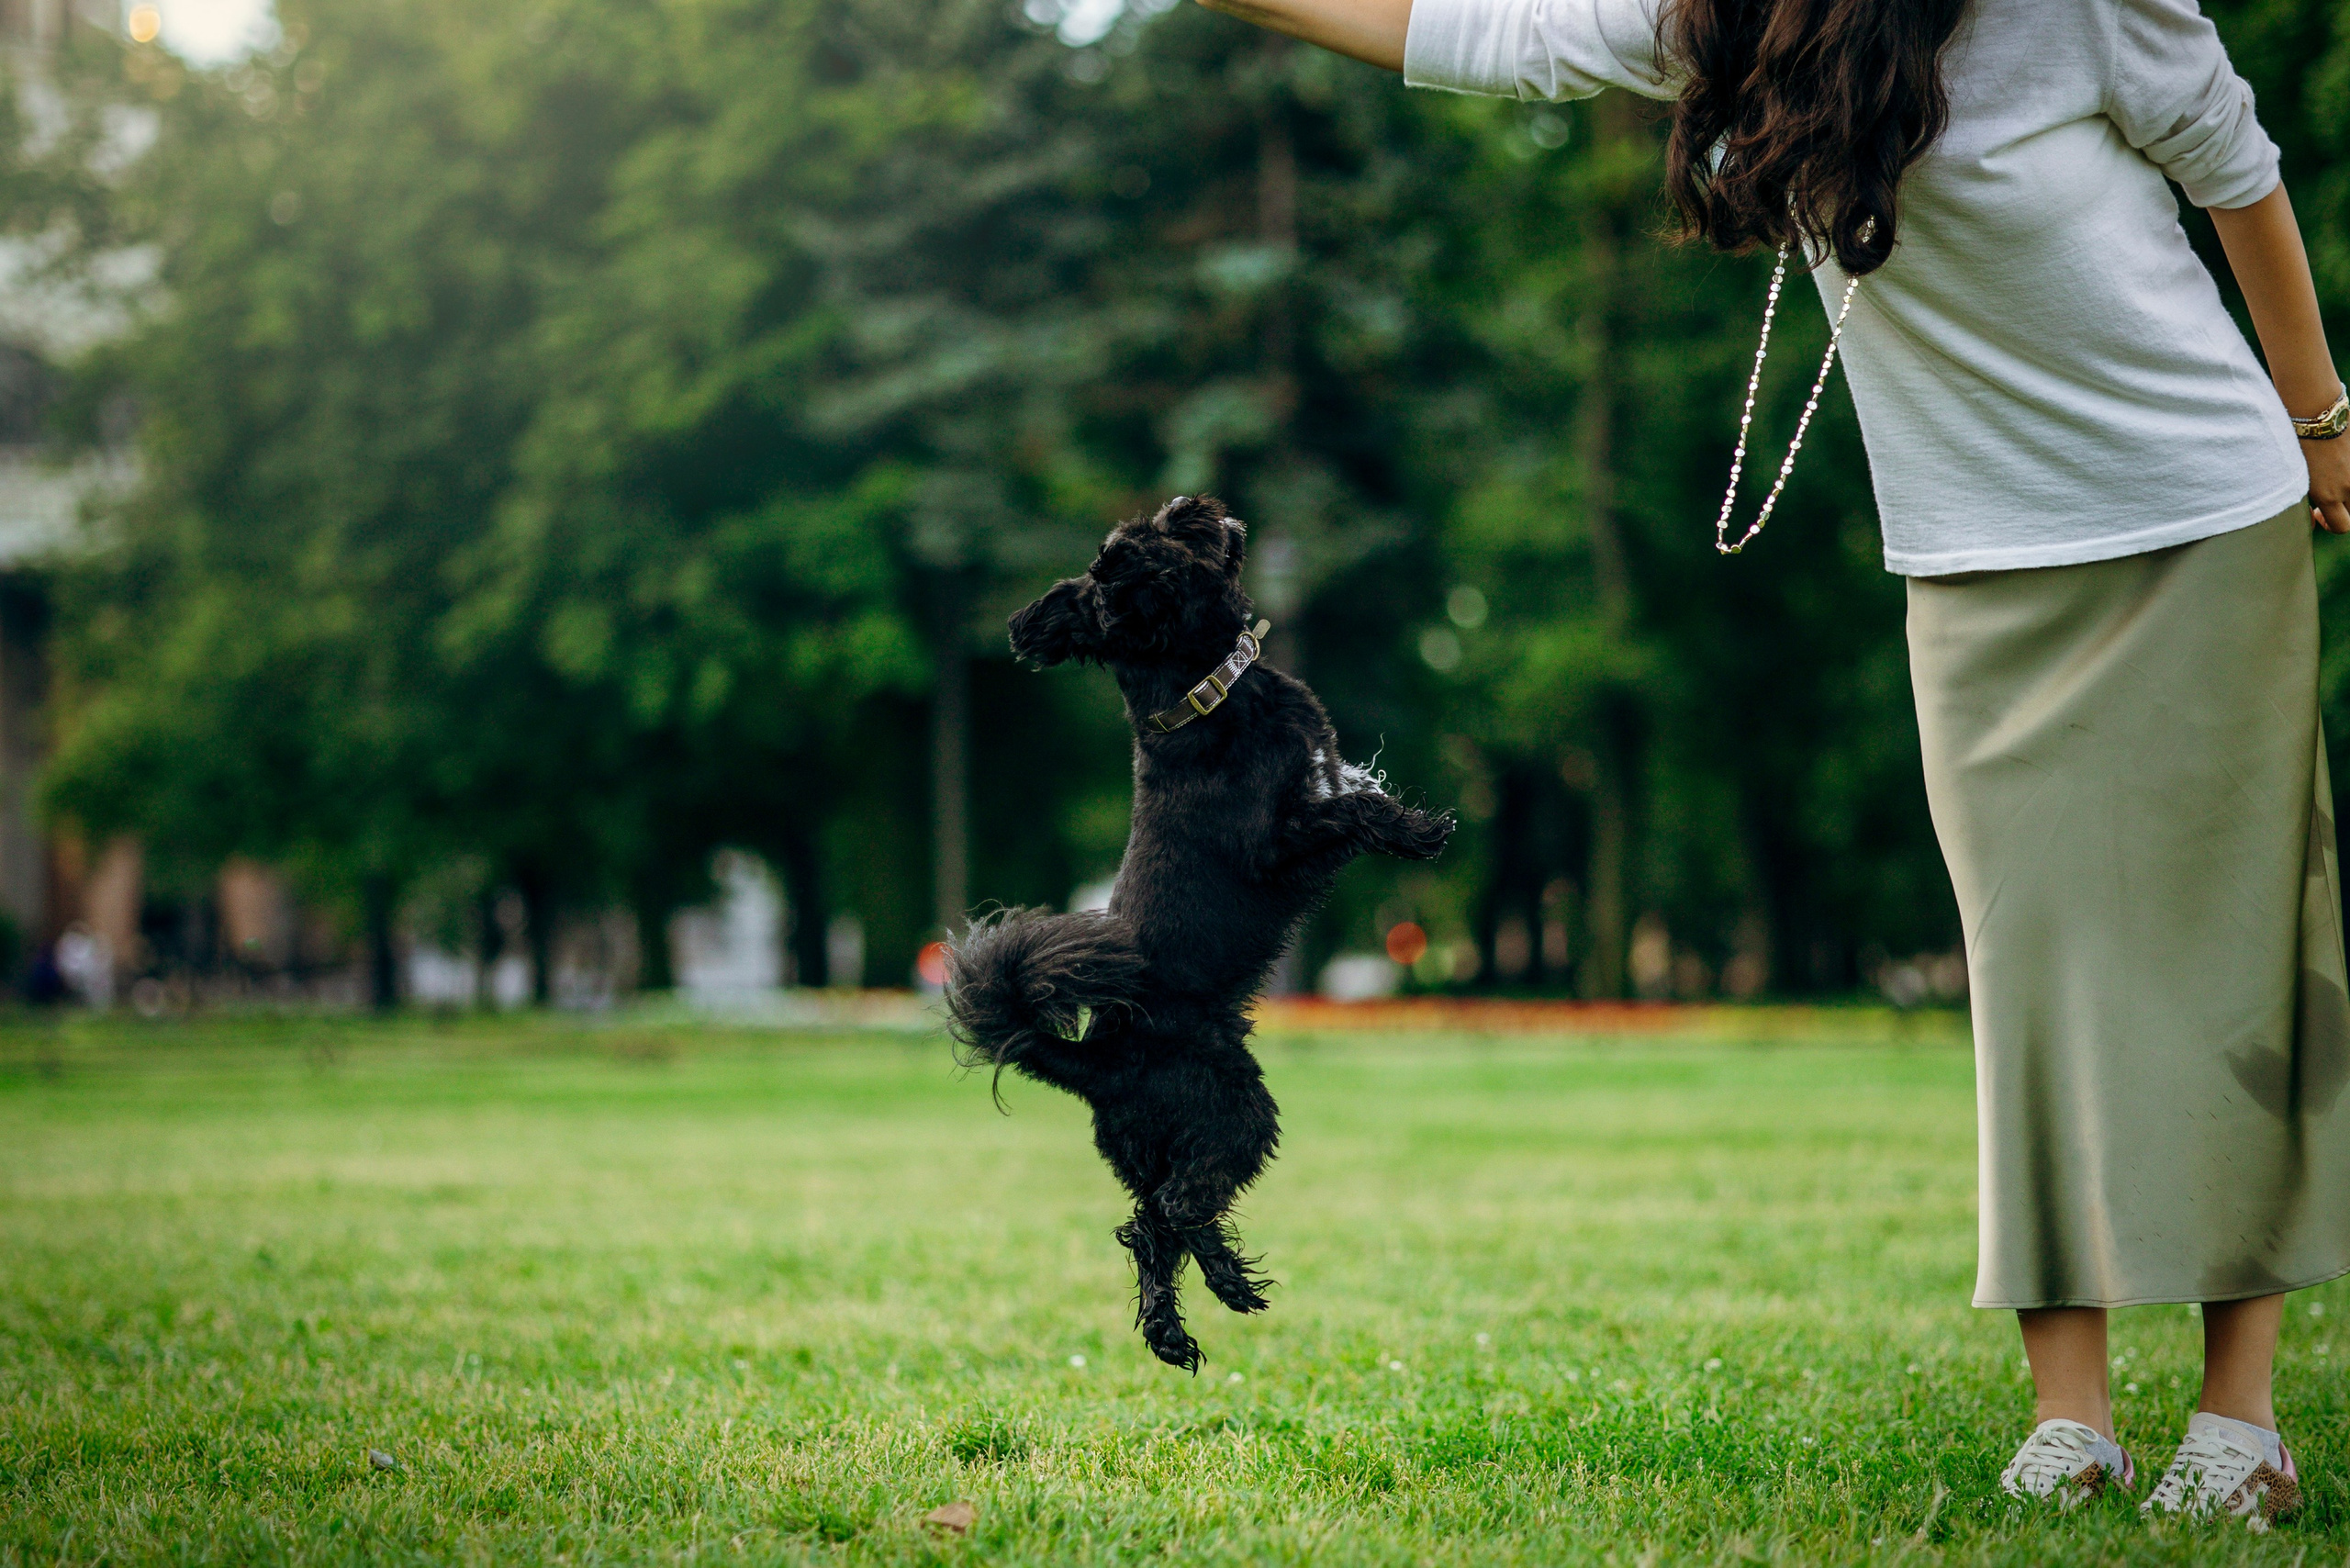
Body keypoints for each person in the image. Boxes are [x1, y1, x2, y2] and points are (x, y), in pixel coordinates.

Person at [1193, 0, 2350, 1525]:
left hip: (2198, 526)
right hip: (1976, 575)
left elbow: (2239, 172)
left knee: (2224, 963)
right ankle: (2071, 1421)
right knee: (2031, 974)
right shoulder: (1739, 23)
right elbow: (1489, 31)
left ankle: (2239, 1421)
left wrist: (2322, 420)